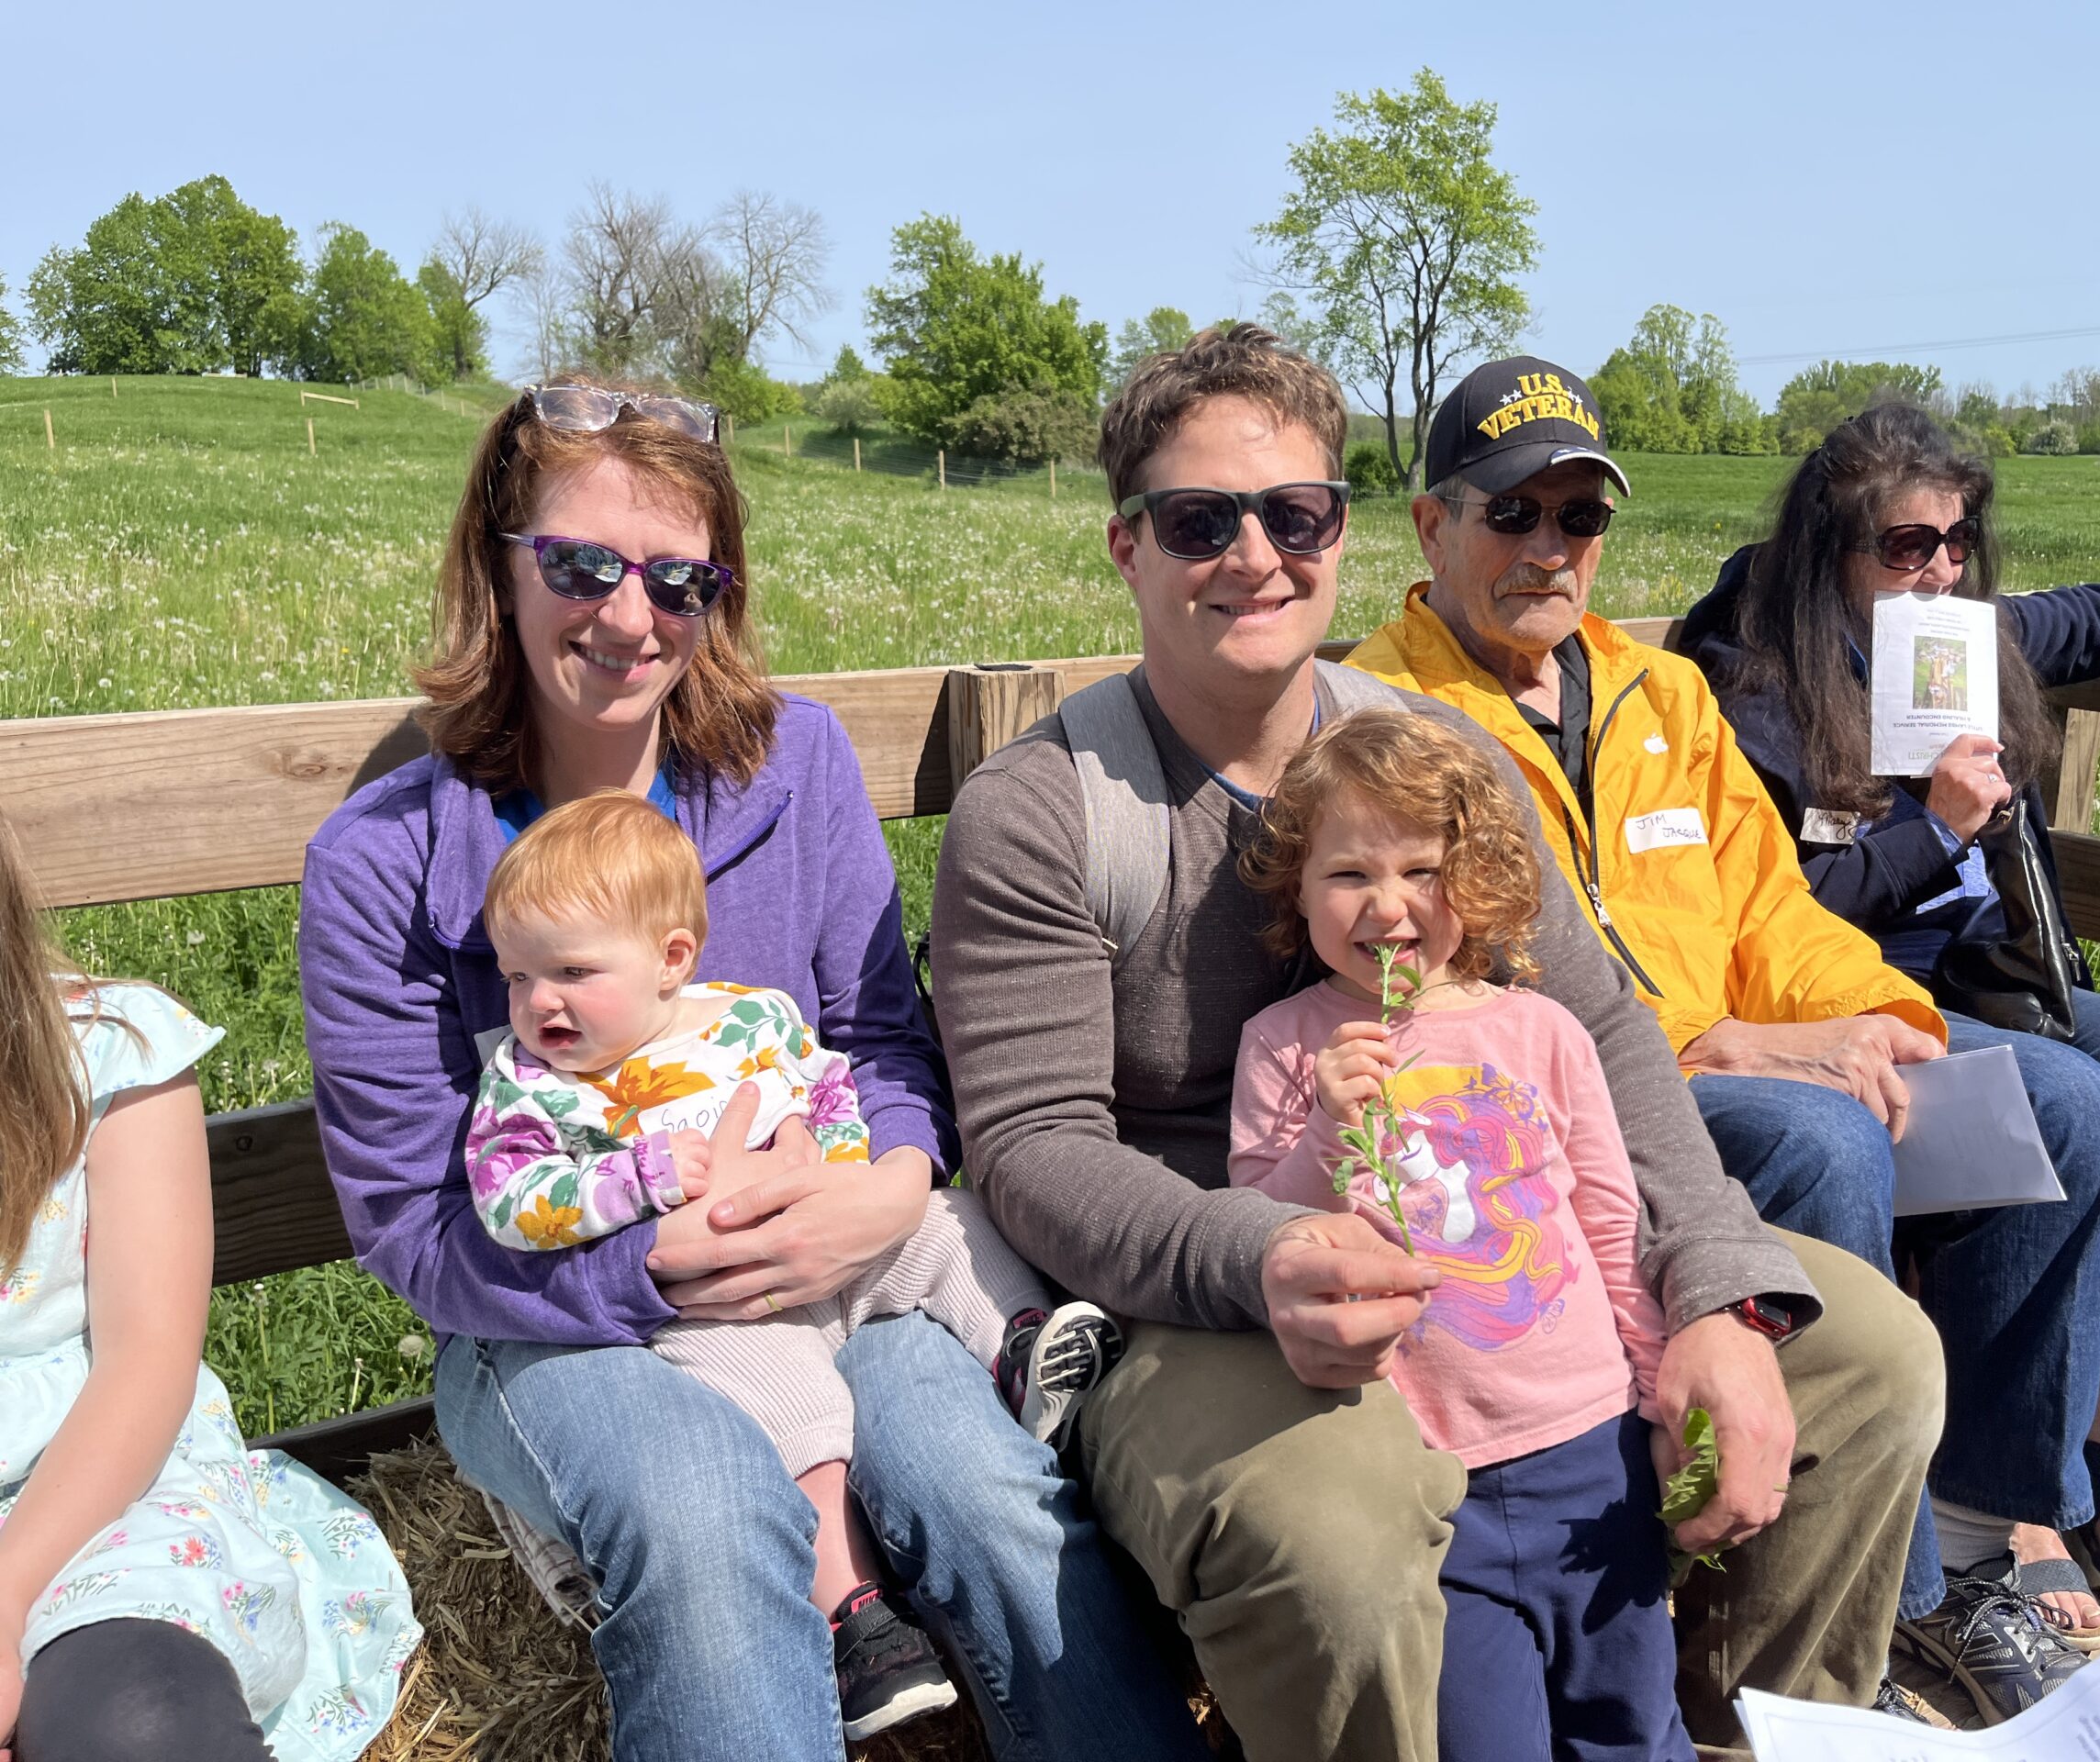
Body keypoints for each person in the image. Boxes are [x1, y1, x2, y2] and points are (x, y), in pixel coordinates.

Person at [931, 323, 1944, 1762]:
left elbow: (1598, 1033)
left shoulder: (1434, 765)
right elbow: (1034, 1150)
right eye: (1198, 520)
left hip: (1501, 1227)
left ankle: (1719, 1728)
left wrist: (1713, 1282)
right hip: (1203, 1283)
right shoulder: (1044, 810)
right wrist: (1255, 1254)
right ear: (1127, 546)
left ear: (1342, 532)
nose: (1254, 555)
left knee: (1875, 1364)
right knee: (1335, 1540)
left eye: (1296, 514)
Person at [299, 384, 1210, 1762]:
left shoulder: (797, 770)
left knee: (984, 1492)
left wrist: (890, 1190)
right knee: (704, 1510)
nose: (627, 616)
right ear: (499, 561)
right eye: (581, 566)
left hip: (838, 1263)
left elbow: (889, 1044)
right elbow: (409, 1225)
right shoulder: (385, 859)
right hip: (560, 1317)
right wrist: (656, 1263)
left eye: (678, 579)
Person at [1347, 358, 2100, 1722]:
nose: (1549, 548)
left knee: (2073, 1107)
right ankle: (1874, 1609)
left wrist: (1886, 1020)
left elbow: (1769, 906)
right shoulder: (1387, 721)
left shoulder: (1662, 698)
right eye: (1511, 514)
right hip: (1585, 1110)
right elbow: (1479, 999)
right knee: (1823, 1137)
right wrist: (1727, 1050)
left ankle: (1978, 1535)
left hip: (1739, 1049)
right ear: (1431, 526)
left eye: (1578, 519)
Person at [1678, 400, 2100, 1627]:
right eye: (1905, 544)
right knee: (2074, 1110)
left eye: (1956, 541)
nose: (1937, 566)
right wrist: (1934, 829)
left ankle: (2089, 1446)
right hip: (1850, 990)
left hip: (2000, 979)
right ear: (1827, 543)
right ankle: (1993, 1503)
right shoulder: (1750, 682)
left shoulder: (1957, 640)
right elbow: (1771, 905)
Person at [464, 790, 1125, 1740]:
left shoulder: (745, 1019)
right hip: (718, 1303)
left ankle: (1019, 1345)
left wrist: (839, 1169)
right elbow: (508, 1201)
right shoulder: (530, 1088)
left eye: (569, 972)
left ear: (672, 961)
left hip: (828, 1238)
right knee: (785, 1403)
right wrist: (633, 1185)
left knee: (951, 1226)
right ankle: (854, 1615)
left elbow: (830, 1080)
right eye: (516, 977)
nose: (538, 1003)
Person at [1228, 707, 1692, 1762]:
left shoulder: (1541, 1030)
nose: (1387, 907)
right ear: (1295, 890)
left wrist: (1656, 1387)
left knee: (1629, 1721)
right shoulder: (1285, 1049)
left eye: (1422, 871)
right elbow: (1266, 1227)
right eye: (1347, 875)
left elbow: (1610, 1218)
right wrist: (1326, 1131)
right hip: (1432, 1478)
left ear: (1473, 880)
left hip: (1591, 1450)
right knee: (1486, 1739)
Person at [0, 820, 419, 1762]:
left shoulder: (109, 1055)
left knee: (132, 1723)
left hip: (99, 1493)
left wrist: (3, 1600)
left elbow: (147, 1361)